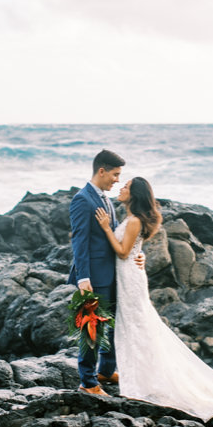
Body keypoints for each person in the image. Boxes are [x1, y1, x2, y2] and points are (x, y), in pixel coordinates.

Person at [94, 177, 213, 420]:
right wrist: (136, 251)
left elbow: (122, 253)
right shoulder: (131, 219)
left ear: (135, 195)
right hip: (128, 274)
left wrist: (106, 229)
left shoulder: (133, 220)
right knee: (136, 326)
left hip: (128, 277)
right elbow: (132, 248)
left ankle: (145, 379)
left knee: (137, 326)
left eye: (126, 186)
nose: (121, 188)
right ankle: (140, 375)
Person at [67, 149, 139, 395]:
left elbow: (118, 235)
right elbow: (79, 241)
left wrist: (137, 254)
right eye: (115, 174)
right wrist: (83, 277)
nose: (117, 180)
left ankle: (106, 371)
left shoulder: (107, 200)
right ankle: (87, 382)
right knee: (92, 329)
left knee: (114, 324)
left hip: (114, 274)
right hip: (95, 276)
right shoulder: (82, 199)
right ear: (102, 171)